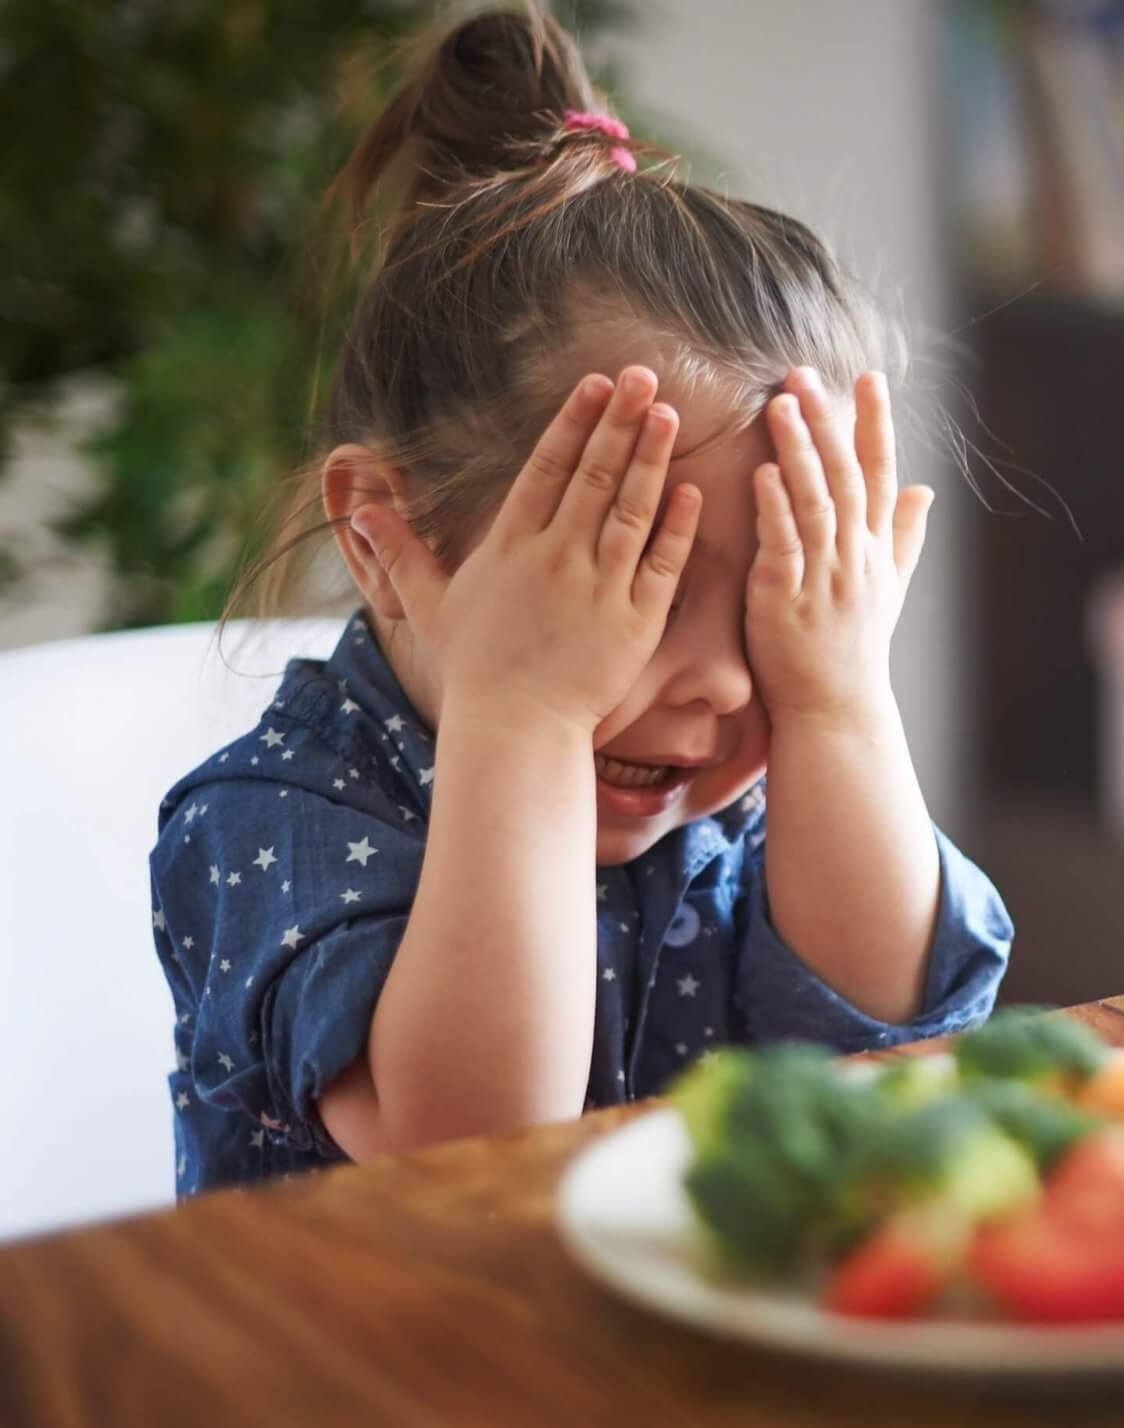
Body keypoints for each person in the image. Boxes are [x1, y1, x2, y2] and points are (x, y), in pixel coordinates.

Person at [148, 6, 1010, 1195]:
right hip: (355, 1366)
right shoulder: (273, 819)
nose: (718, 680)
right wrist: (529, 718)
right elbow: (472, 1147)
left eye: (773, 608)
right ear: (383, 540)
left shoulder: (758, 789)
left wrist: (837, 703)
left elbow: (899, 1034)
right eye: (637, 595)